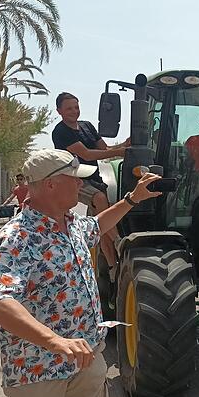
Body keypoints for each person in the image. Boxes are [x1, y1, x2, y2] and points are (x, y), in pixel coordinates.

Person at [0, 149, 161, 397]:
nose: (81, 183)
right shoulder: (16, 238)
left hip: (86, 363)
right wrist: (56, 342)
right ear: (50, 184)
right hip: (40, 373)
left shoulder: (72, 224)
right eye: (74, 177)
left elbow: (98, 226)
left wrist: (132, 199)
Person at [51, 92, 128, 278]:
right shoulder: (60, 131)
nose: (74, 111)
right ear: (59, 111)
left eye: (76, 107)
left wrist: (126, 144)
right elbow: (86, 154)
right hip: (75, 180)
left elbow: (104, 149)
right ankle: (119, 242)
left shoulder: (87, 126)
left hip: (95, 178)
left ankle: (112, 268)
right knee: (100, 198)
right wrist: (120, 151)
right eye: (69, 108)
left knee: (99, 225)